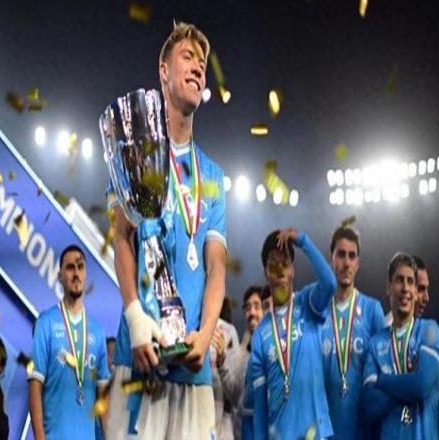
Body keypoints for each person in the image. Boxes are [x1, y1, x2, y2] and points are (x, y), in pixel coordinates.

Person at [106, 21, 226, 439]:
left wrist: (206, 335)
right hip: (141, 358)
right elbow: (122, 238)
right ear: (163, 70)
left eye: (203, 63)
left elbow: (216, 268)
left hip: (193, 372)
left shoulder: (213, 176)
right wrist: (135, 317)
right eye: (187, 57)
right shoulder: (135, 152)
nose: (198, 68)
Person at [250, 228, 337, 439]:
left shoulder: (307, 303)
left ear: (292, 270)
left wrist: (302, 240)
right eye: (273, 264)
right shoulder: (260, 334)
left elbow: (330, 283)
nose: (280, 270)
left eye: (285, 263)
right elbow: (259, 409)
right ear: (266, 272)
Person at [28, 244, 110, 440]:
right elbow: (35, 387)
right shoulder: (45, 323)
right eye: (70, 267)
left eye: (80, 267)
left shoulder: (97, 332)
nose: (76, 273)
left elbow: (103, 397)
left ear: (85, 274)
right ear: (60, 276)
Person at [363, 253, 439, 439]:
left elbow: (420, 385)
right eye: (399, 280)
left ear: (415, 291)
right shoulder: (375, 344)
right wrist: (409, 381)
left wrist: (382, 380)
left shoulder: (429, 331)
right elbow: (370, 406)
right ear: (389, 287)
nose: (405, 288)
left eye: (410, 281)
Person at [321, 227, 385, 438]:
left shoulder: (372, 311)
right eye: (341, 255)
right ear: (331, 259)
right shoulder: (318, 312)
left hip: (364, 432)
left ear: (358, 263)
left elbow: (384, 376)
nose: (346, 263)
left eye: (352, 256)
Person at [213, 285, 264, 440]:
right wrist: (221, 362)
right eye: (247, 308)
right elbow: (235, 396)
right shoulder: (244, 356)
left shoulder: (278, 350)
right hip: (246, 431)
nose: (251, 312)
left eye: (257, 306)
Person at [211, 298, 240, 440]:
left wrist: (221, 362)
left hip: (220, 427)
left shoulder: (227, 331)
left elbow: (234, 393)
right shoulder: (186, 325)